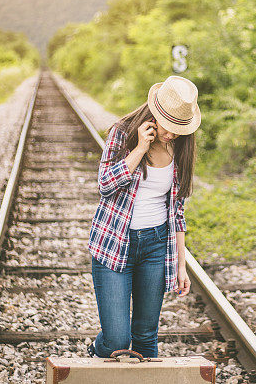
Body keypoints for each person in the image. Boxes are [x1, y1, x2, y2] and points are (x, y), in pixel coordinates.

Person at [86, 75, 201, 359]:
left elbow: (177, 211)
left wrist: (181, 265)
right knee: (116, 340)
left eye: (179, 128)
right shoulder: (122, 133)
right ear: (155, 113)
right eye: (169, 126)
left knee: (146, 337)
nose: (172, 134)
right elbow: (105, 184)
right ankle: (95, 350)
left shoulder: (182, 146)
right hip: (114, 242)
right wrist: (139, 149)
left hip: (155, 245)